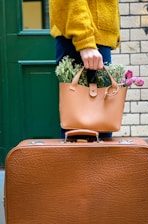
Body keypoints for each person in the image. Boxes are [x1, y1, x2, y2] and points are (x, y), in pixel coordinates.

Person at [49, 0, 120, 138]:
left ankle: (96, 160)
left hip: (93, 38)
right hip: (85, 39)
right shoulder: (85, 41)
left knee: (102, 124)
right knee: (78, 130)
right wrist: (85, 41)